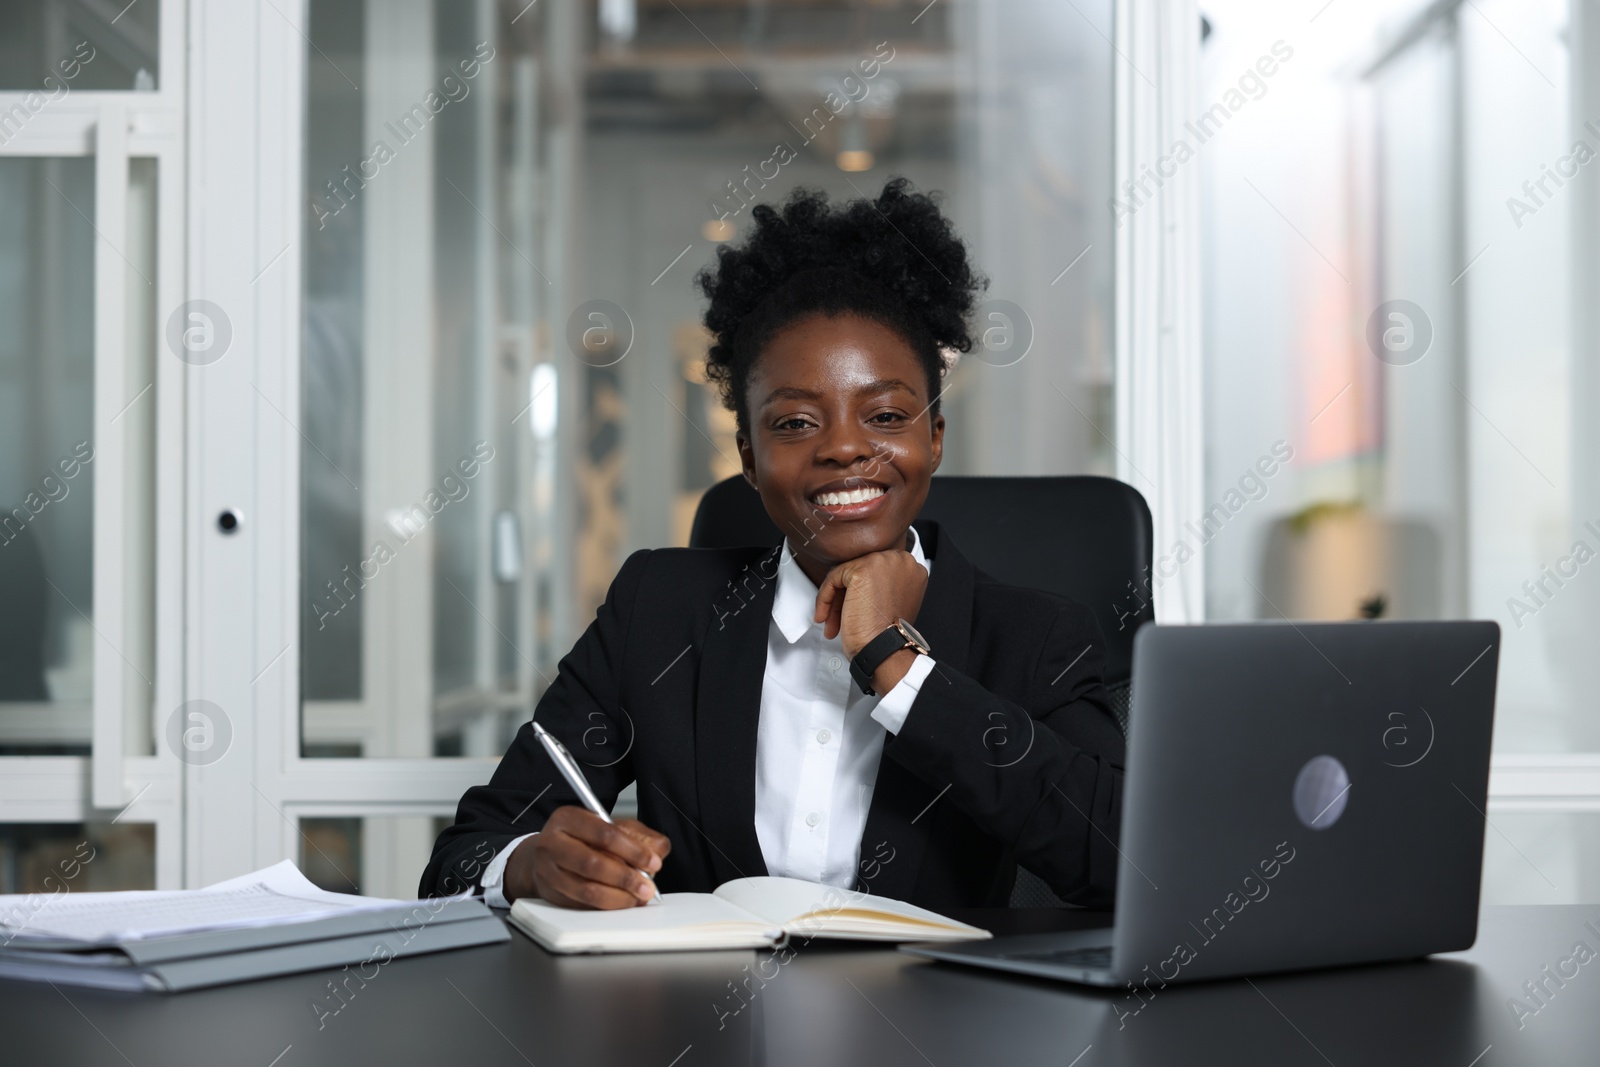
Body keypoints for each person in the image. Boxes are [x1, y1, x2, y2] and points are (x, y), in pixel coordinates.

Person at [420, 178, 1124, 911]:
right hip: (697, 1021)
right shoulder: (658, 613)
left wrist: (897, 662)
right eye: (794, 424)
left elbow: (1124, 858)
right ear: (749, 456)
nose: (846, 448)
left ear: (934, 437)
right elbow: (465, 850)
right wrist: (530, 863)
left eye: (885, 414)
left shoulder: (1034, 637)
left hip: (939, 1020)